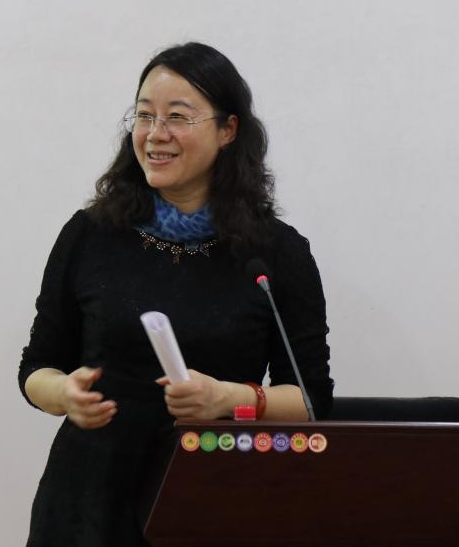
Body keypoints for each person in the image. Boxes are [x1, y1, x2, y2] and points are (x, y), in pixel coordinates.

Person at [18, 42, 333, 547]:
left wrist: (228, 398)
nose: (155, 133)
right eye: (144, 115)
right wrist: (64, 395)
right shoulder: (89, 234)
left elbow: (311, 400)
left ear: (228, 130)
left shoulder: (276, 252)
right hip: (87, 503)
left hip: (217, 493)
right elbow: (36, 368)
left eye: (178, 117)